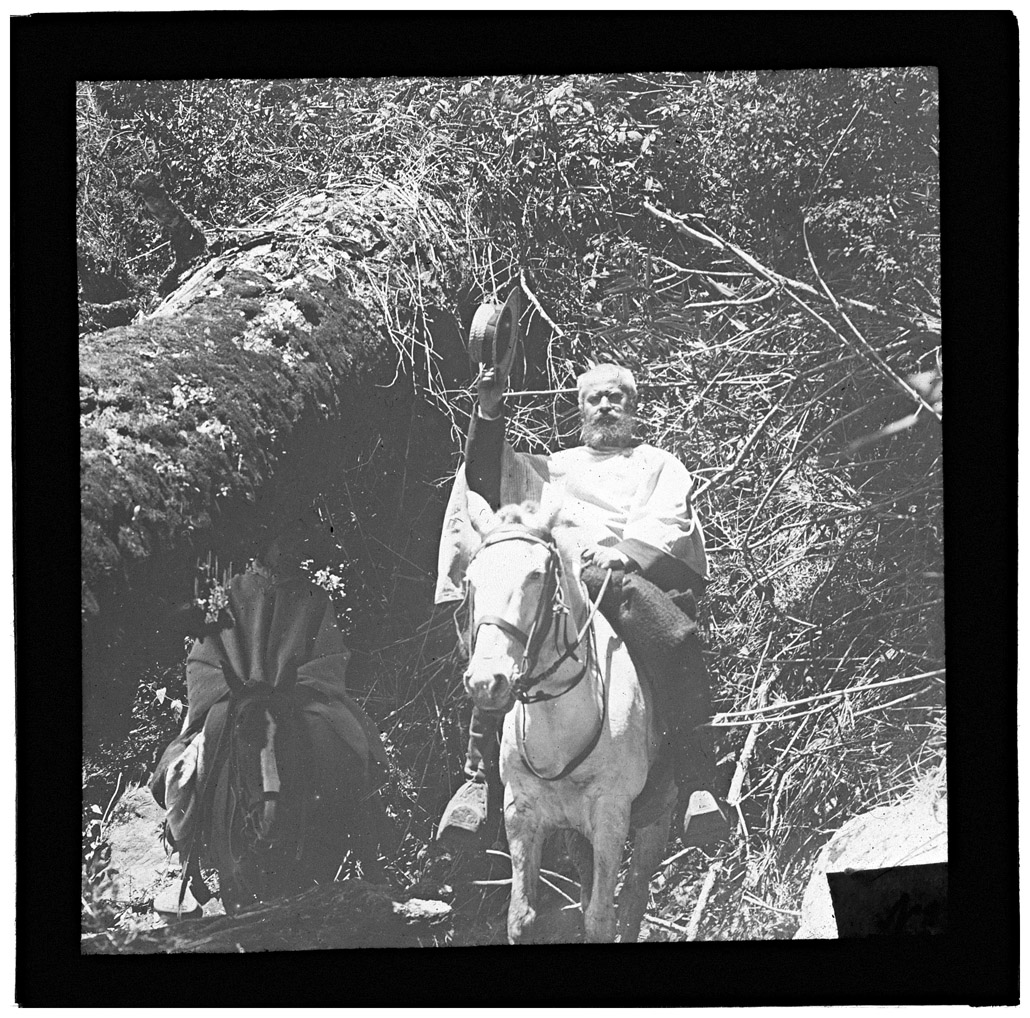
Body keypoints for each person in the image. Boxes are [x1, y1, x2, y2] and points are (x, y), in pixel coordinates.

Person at [437, 362, 730, 853]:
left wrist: (625, 553)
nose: (605, 406)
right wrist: (488, 415)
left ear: (633, 408)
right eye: (595, 398)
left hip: (631, 578)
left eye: (616, 397)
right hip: (565, 583)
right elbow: (486, 479)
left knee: (676, 638)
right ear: (580, 409)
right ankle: (477, 782)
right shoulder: (552, 467)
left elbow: (670, 517)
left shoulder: (657, 463)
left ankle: (697, 784)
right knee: (498, 639)